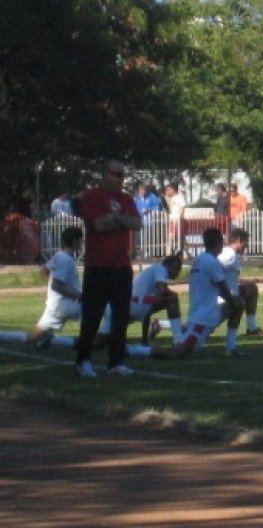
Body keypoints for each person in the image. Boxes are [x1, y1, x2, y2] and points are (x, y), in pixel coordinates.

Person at [125, 227, 242, 360]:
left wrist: (233, 302)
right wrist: (232, 301)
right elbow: (223, 288)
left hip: (205, 314)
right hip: (203, 320)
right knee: (175, 354)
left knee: (237, 304)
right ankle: (133, 350)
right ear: (219, 242)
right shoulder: (212, 263)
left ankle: (231, 348)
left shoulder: (199, 260)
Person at [74, 159, 142, 377]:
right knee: (92, 316)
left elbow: (137, 223)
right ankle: (83, 360)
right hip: (98, 265)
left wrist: (115, 218)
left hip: (121, 266)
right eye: (117, 174)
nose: (121, 179)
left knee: (121, 316)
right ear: (105, 174)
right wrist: (122, 220)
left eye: (123, 175)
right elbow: (98, 225)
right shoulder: (92, 196)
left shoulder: (126, 199)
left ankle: (116, 362)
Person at [0, 228, 85, 348]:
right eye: (81, 240)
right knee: (95, 311)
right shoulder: (65, 260)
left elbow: (44, 271)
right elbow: (56, 285)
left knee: (33, 337)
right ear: (75, 241)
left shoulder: (60, 255)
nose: (82, 243)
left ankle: (52, 340)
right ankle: (92, 344)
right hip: (65, 305)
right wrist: (77, 295)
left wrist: (51, 292)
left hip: (59, 304)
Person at [97, 254, 184, 347]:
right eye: (176, 268)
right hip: (130, 307)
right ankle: (178, 340)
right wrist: (166, 293)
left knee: (100, 343)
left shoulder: (153, 270)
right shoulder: (160, 269)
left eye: (179, 269)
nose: (177, 272)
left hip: (119, 307)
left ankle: (83, 342)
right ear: (167, 265)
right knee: (173, 298)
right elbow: (162, 290)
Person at [218, 227, 263, 352]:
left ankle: (251, 328)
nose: (247, 246)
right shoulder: (229, 254)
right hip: (223, 298)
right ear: (239, 241)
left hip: (230, 293)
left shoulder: (230, 253)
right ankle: (231, 345)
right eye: (245, 242)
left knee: (251, 289)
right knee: (199, 328)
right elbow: (216, 270)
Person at [164, 183, 186, 255]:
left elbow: (182, 208)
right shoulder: (171, 198)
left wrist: (180, 218)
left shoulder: (180, 197)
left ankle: (181, 252)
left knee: (179, 237)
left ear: (173, 190)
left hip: (178, 220)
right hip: (172, 220)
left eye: (169, 189)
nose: (167, 191)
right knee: (170, 237)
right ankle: (169, 253)